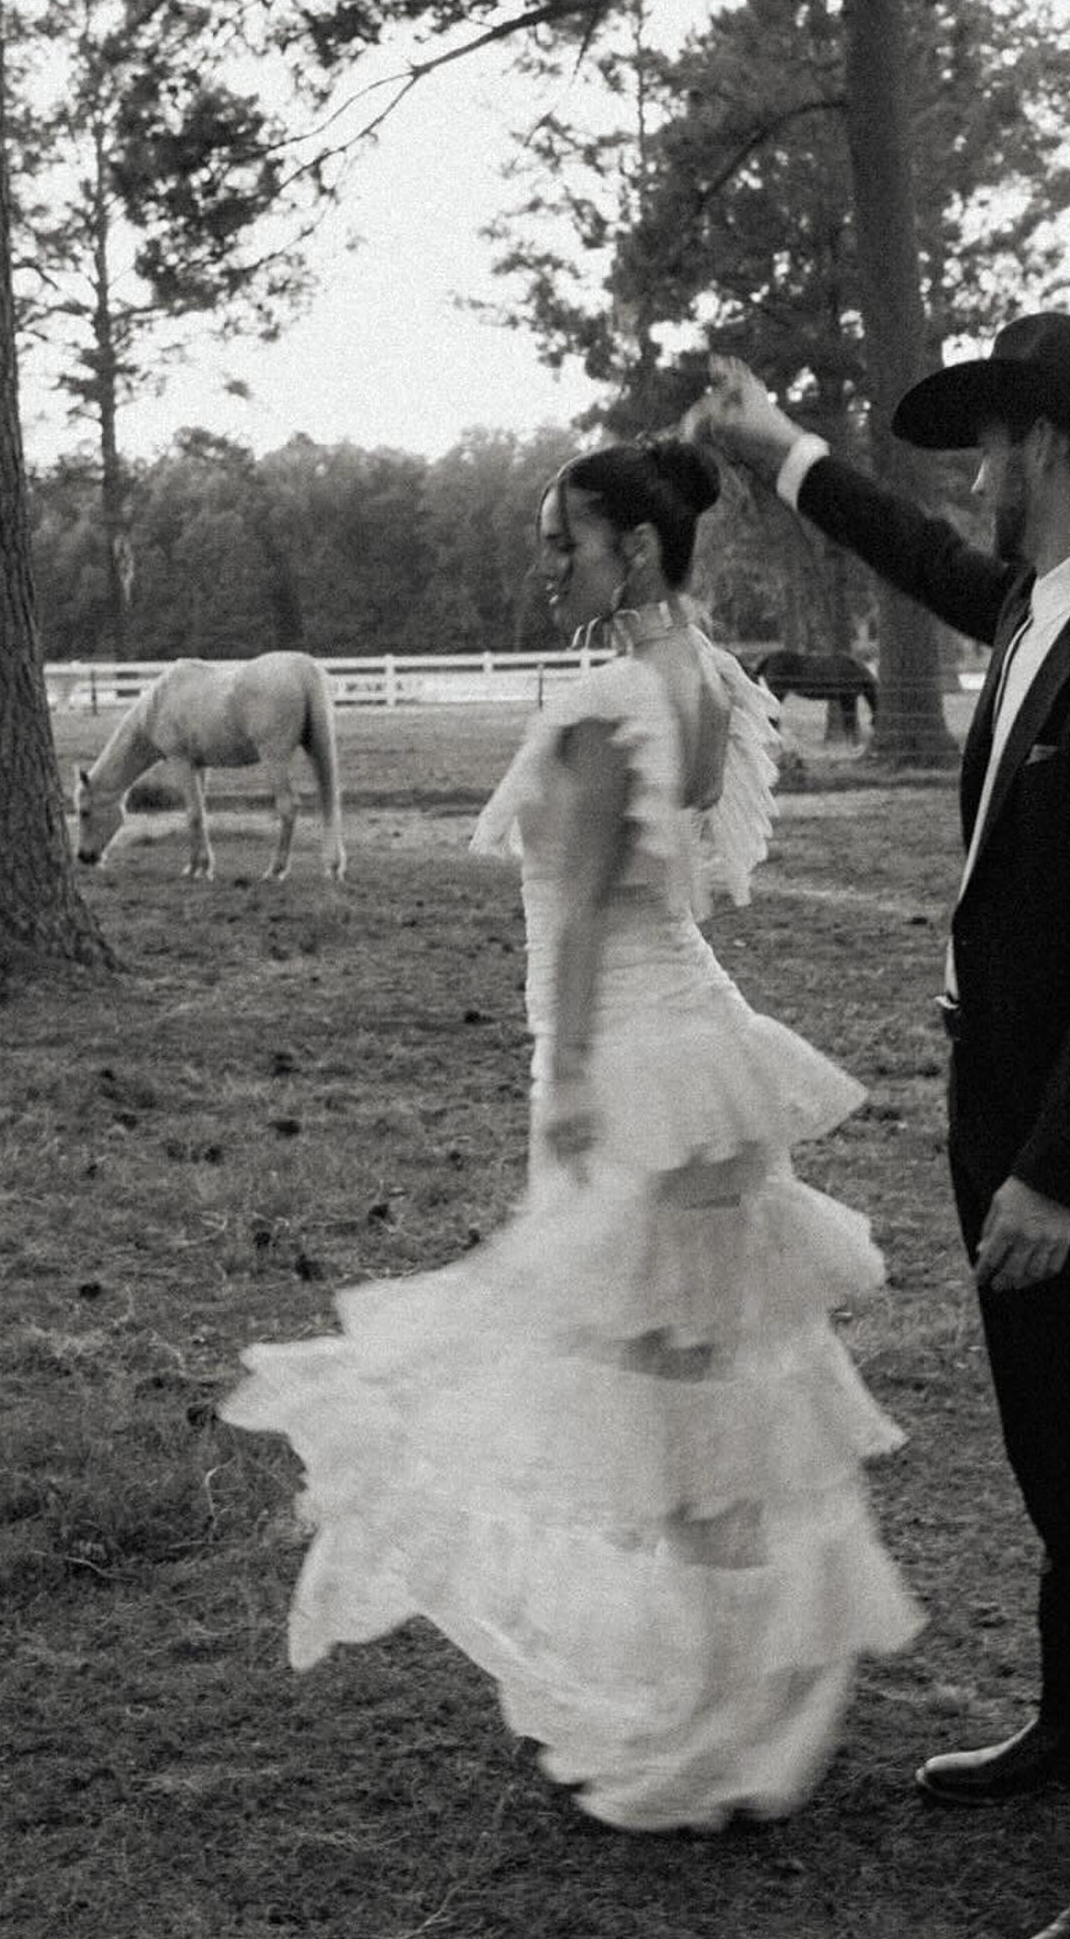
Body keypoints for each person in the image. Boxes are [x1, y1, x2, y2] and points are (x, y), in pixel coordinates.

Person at [221, 437, 921, 1832]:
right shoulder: (706, 676)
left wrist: (574, 1089)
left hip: (638, 1067)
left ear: (638, 552)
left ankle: (714, 1723)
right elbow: (687, 888)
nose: (550, 565)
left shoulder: (613, 697)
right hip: (708, 1053)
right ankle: (727, 1699)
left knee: (625, 1387)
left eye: (567, 542)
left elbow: (596, 906)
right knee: (703, 1397)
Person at [691, 314, 1070, 1939]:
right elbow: (910, 542)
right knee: (1048, 1445)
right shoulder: (1037, 608)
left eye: (997, 442)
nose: (977, 473)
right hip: (1002, 1103)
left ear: (1057, 452)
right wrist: (775, 445)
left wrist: (1057, 1176)